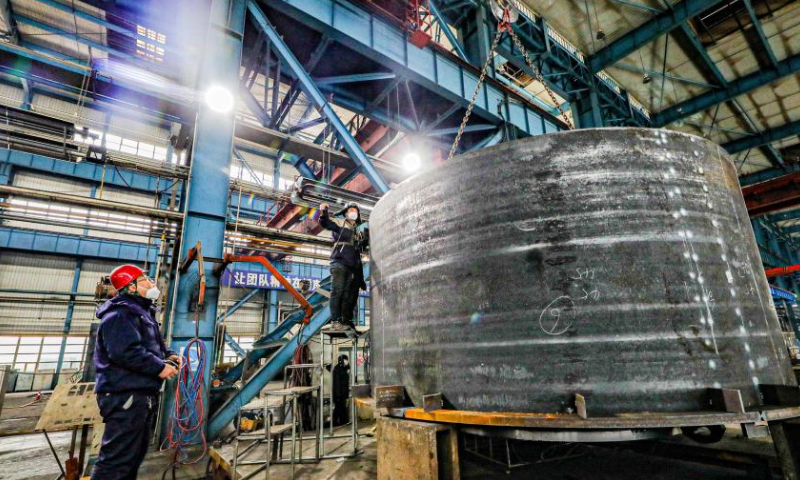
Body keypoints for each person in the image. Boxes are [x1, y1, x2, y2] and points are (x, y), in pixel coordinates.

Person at [91, 264, 180, 480]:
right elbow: (125, 351)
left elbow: (149, 344)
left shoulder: (141, 312)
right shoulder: (120, 315)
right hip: (125, 395)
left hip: (139, 395)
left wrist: (167, 355)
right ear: (131, 287)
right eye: (145, 280)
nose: (152, 284)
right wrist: (160, 367)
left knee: (133, 457)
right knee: (117, 462)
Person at [318, 202, 367, 331]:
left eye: (355, 211)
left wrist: (360, 277)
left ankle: (346, 320)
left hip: (353, 266)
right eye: (351, 210)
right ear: (345, 213)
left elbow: (359, 254)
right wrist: (323, 212)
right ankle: (336, 320)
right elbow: (325, 223)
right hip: (339, 262)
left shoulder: (359, 230)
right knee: (337, 291)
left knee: (351, 295)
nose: (353, 213)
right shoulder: (339, 224)